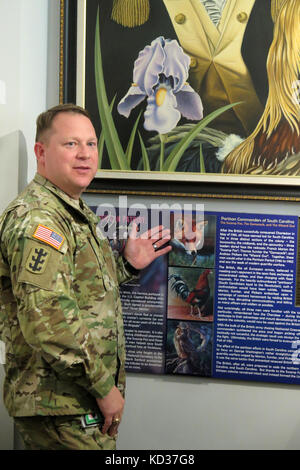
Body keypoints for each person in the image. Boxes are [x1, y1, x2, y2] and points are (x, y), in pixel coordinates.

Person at [0, 103, 171, 450]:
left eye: (91, 144)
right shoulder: (39, 221)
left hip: (74, 402)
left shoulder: (69, 210)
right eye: (71, 144)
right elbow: (47, 321)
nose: (85, 154)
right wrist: (103, 388)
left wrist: (126, 265)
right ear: (41, 152)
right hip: (59, 404)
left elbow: (74, 292)